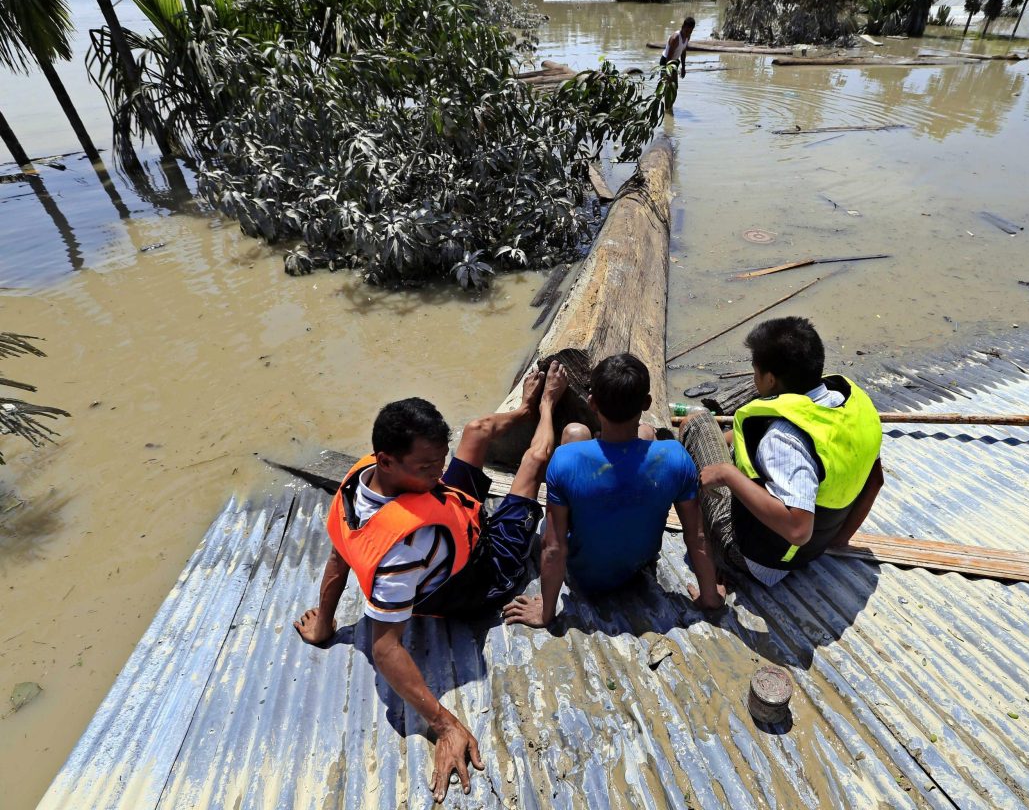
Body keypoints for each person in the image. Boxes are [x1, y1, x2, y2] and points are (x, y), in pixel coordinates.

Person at [293, 362, 567, 804]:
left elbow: (341, 551)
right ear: (386, 459)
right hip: (484, 575)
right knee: (533, 463)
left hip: (454, 518)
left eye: (440, 461)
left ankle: (526, 409)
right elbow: (385, 647)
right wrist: (444, 724)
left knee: (477, 430)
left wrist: (325, 624)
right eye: (427, 465)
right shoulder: (404, 548)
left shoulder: (360, 482)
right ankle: (550, 405)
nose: (439, 472)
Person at [502, 353, 725, 629]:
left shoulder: (563, 461)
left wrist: (546, 613)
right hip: (638, 564)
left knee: (574, 433)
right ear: (646, 403)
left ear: (592, 403)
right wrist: (710, 597)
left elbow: (553, 546)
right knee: (645, 434)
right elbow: (697, 536)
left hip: (585, 573)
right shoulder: (676, 457)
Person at [680, 317, 885, 586]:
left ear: (770, 379)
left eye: (755, 372)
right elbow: (876, 480)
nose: (754, 379)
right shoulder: (852, 406)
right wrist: (837, 540)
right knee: (726, 440)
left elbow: (798, 530)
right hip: (813, 547)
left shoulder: (783, 438)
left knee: (695, 423)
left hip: (758, 558)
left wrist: (729, 474)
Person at [659, 16, 695, 80]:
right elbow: (669, 57)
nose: (688, 33)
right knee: (666, 85)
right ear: (683, 27)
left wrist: (683, 68)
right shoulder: (676, 38)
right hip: (666, 61)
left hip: (675, 61)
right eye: (686, 31)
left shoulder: (688, 37)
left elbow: (683, 52)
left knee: (674, 86)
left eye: (690, 31)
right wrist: (668, 73)